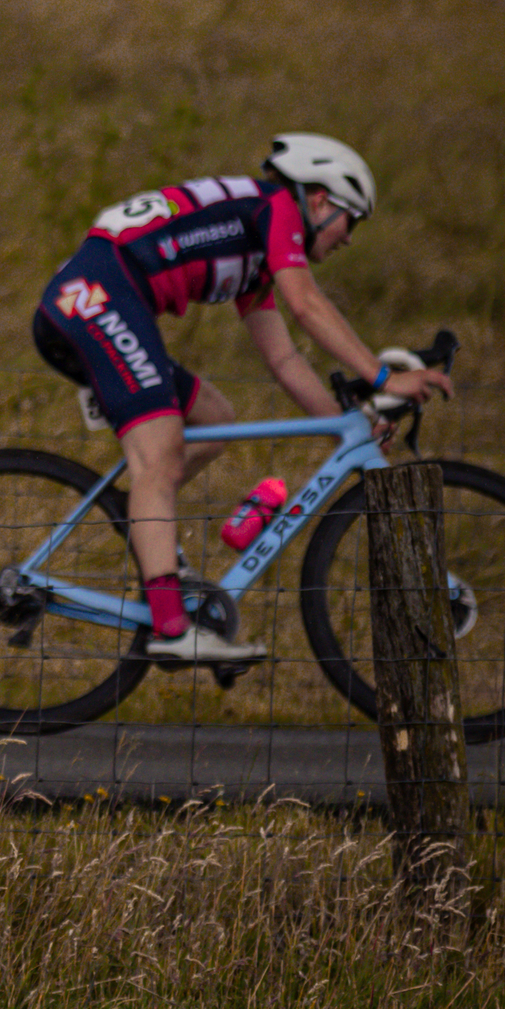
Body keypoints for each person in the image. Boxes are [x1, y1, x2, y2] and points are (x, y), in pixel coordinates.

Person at [31, 132, 455, 665]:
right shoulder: (274, 208)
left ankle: (151, 535)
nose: (350, 239)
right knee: (159, 458)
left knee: (213, 418)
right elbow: (306, 306)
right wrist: (383, 379)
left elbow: (284, 361)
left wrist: (351, 428)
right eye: (354, 221)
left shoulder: (253, 251)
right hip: (95, 299)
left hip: (94, 299)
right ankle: (170, 625)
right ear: (321, 201)